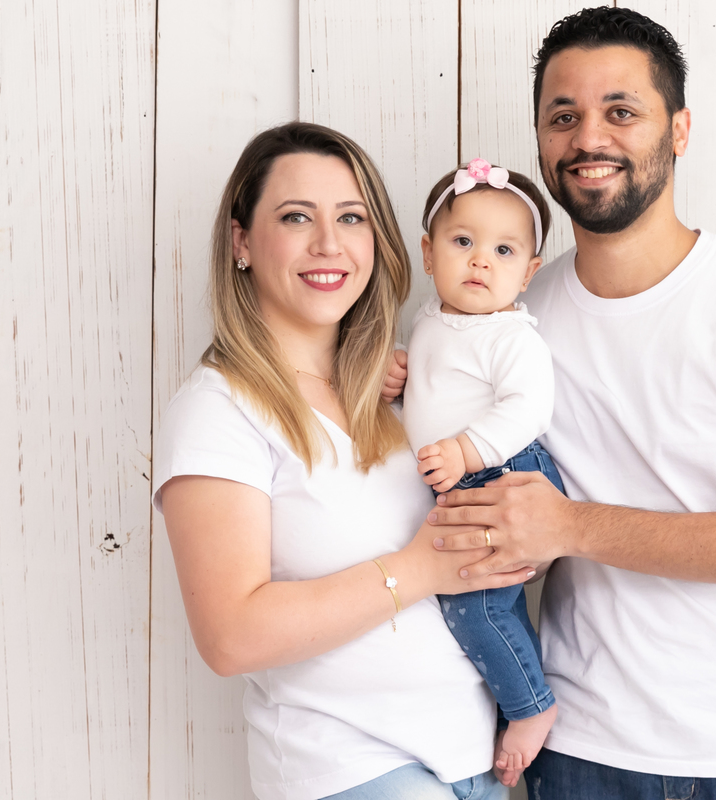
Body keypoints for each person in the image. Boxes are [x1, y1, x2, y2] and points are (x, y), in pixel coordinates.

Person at [422, 8, 716, 799]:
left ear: (679, 129)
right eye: (564, 117)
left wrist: (567, 525)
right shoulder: (513, 318)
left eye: (621, 111)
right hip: (580, 749)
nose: (589, 138)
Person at [153, 121, 529, 800]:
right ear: (241, 241)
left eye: (351, 217)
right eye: (296, 217)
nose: (329, 243)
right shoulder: (218, 411)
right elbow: (230, 636)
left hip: (473, 761)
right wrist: (420, 568)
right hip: (352, 770)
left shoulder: (400, 392)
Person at [404, 159, 561, 787]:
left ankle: (531, 707)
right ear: (428, 253)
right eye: (463, 241)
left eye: (503, 250)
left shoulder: (511, 336)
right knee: (489, 603)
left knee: (474, 608)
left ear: (528, 273)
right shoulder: (429, 321)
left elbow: (529, 408)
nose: (480, 262)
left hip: (502, 472)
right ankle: (512, 697)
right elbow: (437, 385)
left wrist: (466, 451)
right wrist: (398, 374)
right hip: (467, 474)